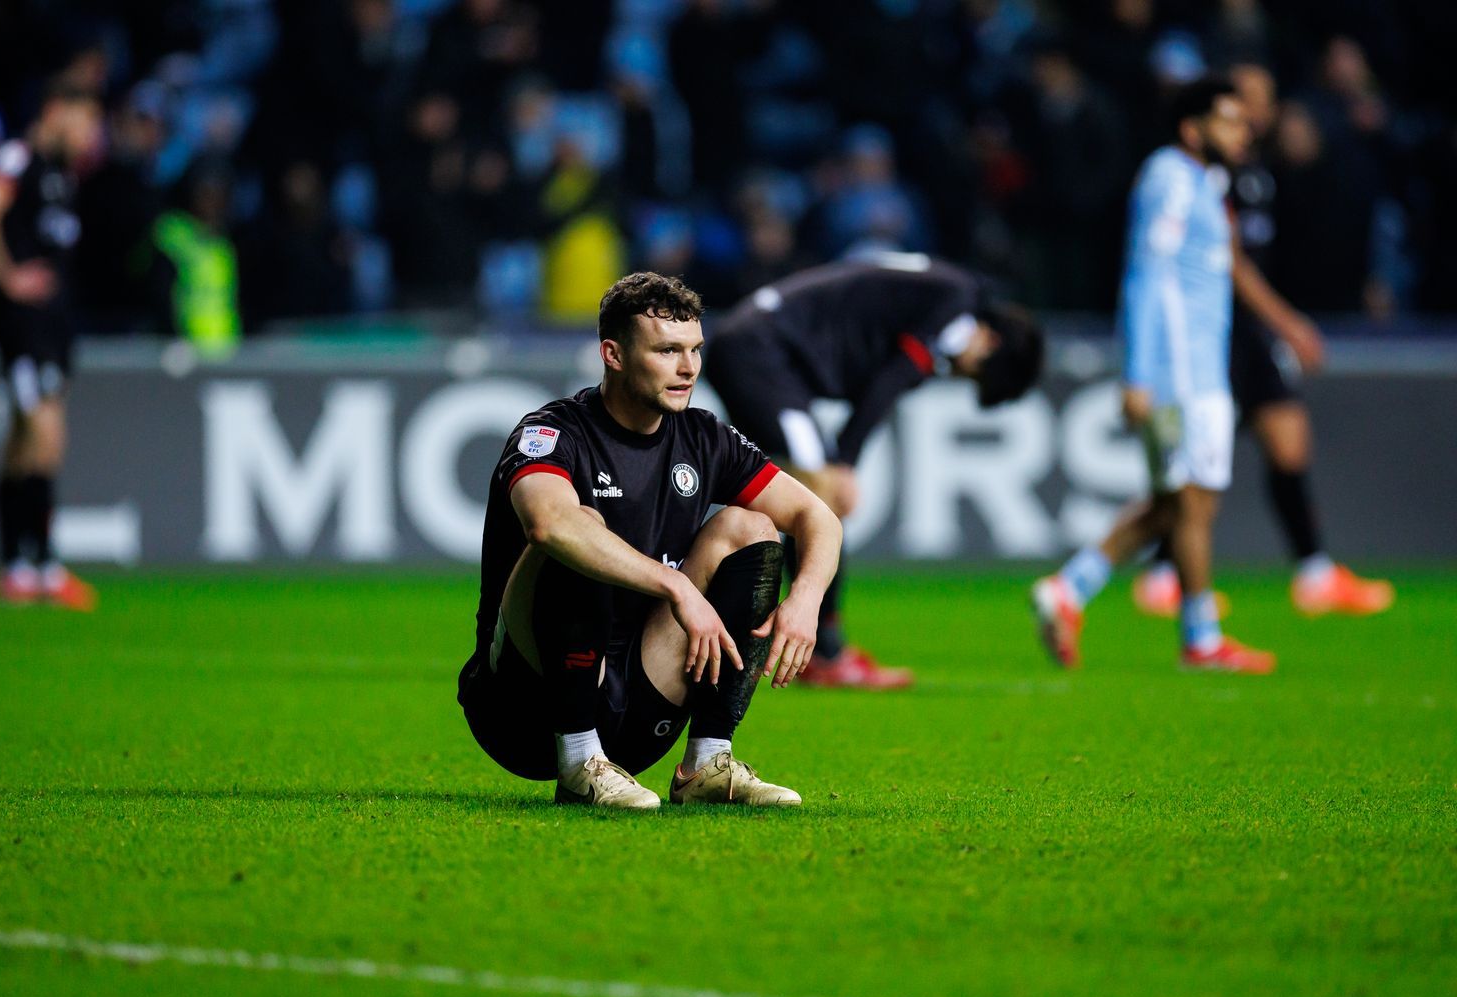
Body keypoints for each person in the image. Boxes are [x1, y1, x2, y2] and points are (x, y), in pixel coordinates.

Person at [458, 271, 842, 809]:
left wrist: (806, 599)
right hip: (523, 708)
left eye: (695, 349)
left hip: (639, 705)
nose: (688, 368)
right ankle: (578, 759)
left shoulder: (704, 437)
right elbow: (548, 524)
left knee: (751, 528)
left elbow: (817, 516)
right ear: (613, 355)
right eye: (667, 351)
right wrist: (676, 586)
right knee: (577, 526)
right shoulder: (553, 432)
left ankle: (707, 761)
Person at [703, 253, 1044, 689]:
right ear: (990, 341)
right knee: (821, 495)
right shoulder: (955, 304)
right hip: (762, 353)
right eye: (978, 374)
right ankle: (824, 653)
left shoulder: (943, 286)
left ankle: (739, 620)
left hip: (760, 346)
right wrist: (845, 462)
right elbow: (890, 380)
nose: (963, 377)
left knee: (779, 496)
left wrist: (842, 457)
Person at [1131, 64, 1393, 620]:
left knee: (1286, 439)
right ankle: (1162, 575)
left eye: (1260, 100)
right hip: (1213, 333)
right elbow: (1220, 265)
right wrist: (1288, 322)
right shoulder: (1198, 175)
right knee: (1195, 474)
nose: (1251, 114)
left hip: (1245, 331)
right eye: (1239, 103)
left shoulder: (1258, 173)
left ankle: (1313, 572)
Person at [1032, 76, 1274, 674]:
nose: (1242, 132)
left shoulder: (1204, 182)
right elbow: (1147, 274)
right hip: (1179, 374)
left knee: (1176, 504)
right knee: (1190, 505)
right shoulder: (1171, 178)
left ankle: (1071, 588)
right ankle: (1201, 638)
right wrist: (1139, 374)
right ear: (1192, 129)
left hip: (1200, 370)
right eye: (1227, 120)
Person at [0, 79, 102, 610]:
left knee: (24, 440)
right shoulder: (19, 158)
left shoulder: (61, 175)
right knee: (45, 432)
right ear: (55, 110)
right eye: (84, 121)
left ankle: (15, 565)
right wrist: (9, 278)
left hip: (52, 324)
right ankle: (41, 563)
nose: (90, 135)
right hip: (26, 325)